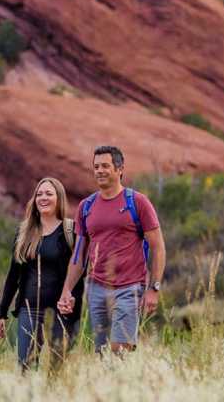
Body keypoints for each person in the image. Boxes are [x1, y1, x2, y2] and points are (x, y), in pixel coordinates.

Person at [57, 145, 166, 354]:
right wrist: (66, 290)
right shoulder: (86, 206)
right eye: (96, 167)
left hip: (130, 287)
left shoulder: (137, 202)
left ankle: (125, 383)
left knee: (119, 349)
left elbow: (158, 247)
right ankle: (117, 386)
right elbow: (79, 255)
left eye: (105, 166)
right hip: (96, 289)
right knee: (103, 351)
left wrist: (154, 288)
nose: (100, 171)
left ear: (119, 169)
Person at [0, 177, 85, 371]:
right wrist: (1, 313)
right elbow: (13, 276)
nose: (43, 198)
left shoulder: (70, 231)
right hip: (29, 309)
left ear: (59, 198)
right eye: (39, 194)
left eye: (49, 194)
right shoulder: (24, 231)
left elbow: (79, 273)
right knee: (26, 368)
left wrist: (72, 300)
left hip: (61, 312)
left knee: (57, 368)